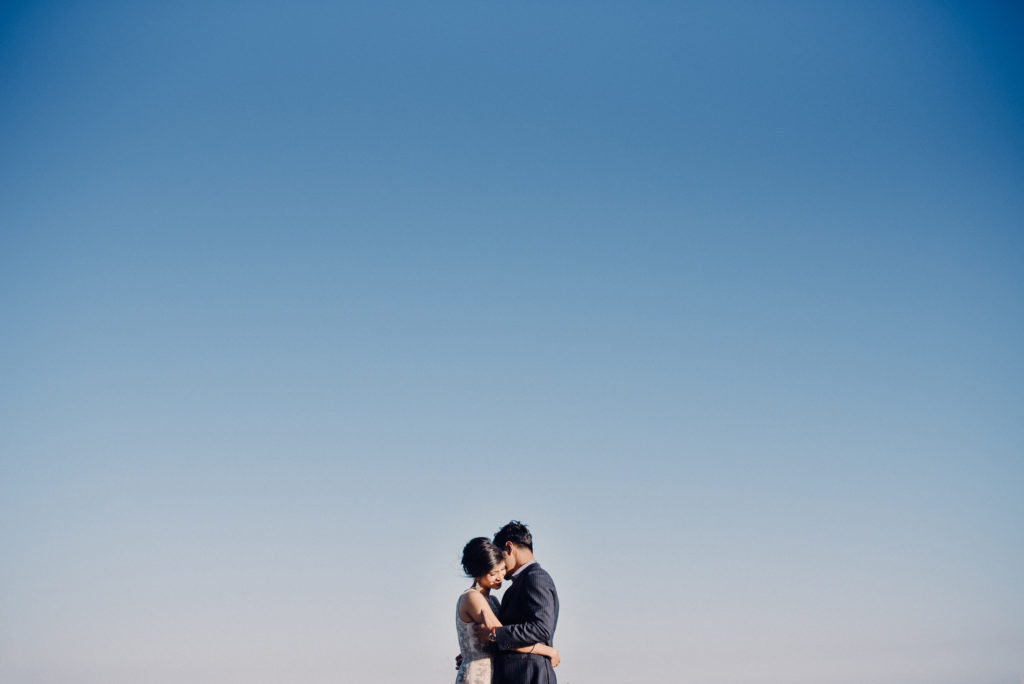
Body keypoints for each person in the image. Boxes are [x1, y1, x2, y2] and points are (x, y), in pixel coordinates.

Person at [456, 537, 560, 684]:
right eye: (493, 573)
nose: (500, 577)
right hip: (479, 676)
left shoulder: (493, 601)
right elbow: (500, 635)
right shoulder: (473, 597)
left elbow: (501, 636)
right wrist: (547, 651)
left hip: (494, 673)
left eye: (502, 569)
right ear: (478, 575)